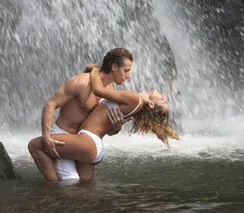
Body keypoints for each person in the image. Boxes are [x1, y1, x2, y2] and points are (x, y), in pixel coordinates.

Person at [28, 65, 180, 182]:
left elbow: (98, 90)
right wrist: (116, 127)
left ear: (152, 105)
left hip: (87, 141)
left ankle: (52, 188)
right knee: (80, 186)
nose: (163, 95)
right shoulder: (129, 103)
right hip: (93, 146)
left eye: (163, 100)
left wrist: (94, 70)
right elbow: (93, 104)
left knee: (35, 145)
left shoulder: (135, 99)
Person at [37, 48, 135, 181]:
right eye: (126, 71)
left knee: (86, 184)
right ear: (114, 67)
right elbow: (50, 105)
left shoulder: (109, 93)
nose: (128, 76)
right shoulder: (81, 82)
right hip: (63, 135)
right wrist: (46, 136)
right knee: (70, 181)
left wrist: (116, 127)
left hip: (81, 142)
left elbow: (107, 130)